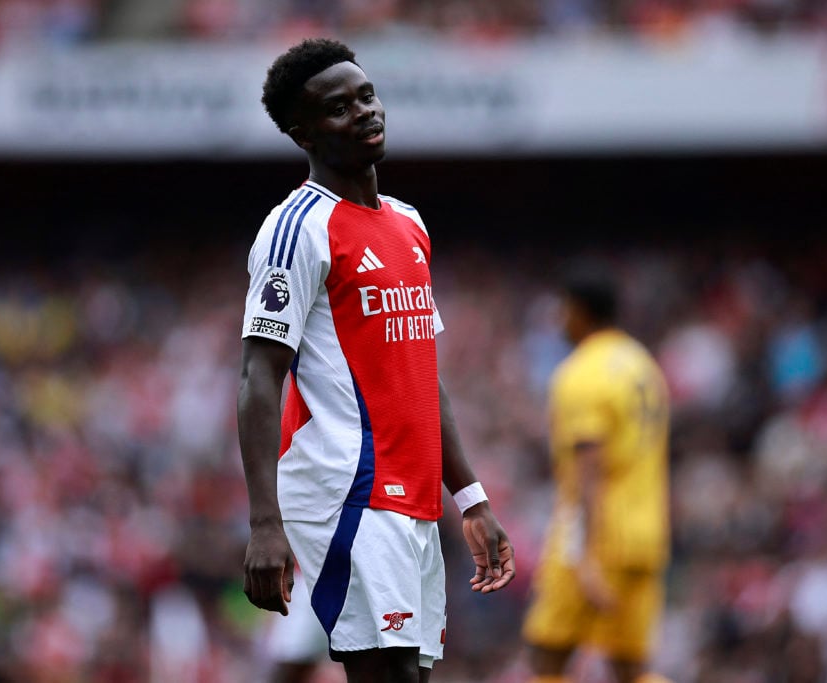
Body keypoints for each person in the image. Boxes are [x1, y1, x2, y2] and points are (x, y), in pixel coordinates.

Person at [238, 37, 515, 683]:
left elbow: (423, 373)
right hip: (347, 490)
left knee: (411, 677)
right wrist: (262, 523)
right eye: (339, 108)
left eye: (366, 95)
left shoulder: (408, 223)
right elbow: (258, 377)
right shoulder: (295, 228)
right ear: (303, 133)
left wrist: (469, 497)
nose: (364, 111)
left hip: (412, 497)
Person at [521, 259, 673, 683]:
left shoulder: (581, 374)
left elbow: (590, 468)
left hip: (599, 536)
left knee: (546, 655)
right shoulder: (643, 365)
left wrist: (585, 554)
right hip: (646, 536)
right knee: (630, 668)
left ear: (577, 310)